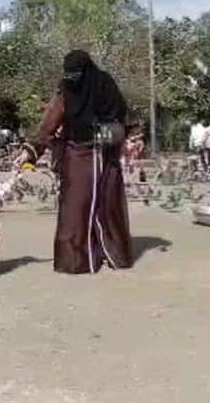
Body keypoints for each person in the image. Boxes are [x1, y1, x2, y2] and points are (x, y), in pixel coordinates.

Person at [14, 50, 132, 274]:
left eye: (76, 73)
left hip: (105, 157)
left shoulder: (104, 85)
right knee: (76, 207)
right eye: (68, 73)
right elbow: (50, 122)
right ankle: (75, 259)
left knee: (106, 206)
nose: (72, 78)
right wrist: (30, 152)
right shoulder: (66, 90)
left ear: (86, 71)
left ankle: (110, 251)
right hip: (76, 155)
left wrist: (111, 135)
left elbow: (120, 117)